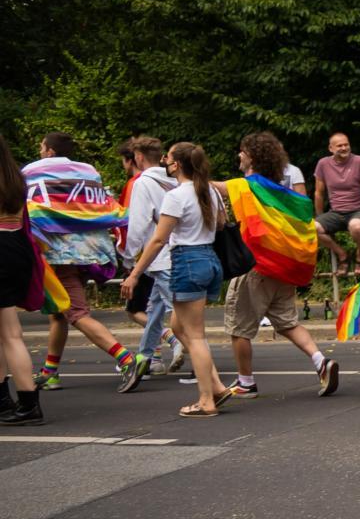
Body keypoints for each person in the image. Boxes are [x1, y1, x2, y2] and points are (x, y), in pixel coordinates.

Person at [118, 142, 233, 417]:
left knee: (195, 336)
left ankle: (206, 400)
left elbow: (158, 240)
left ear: (177, 164)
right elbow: (220, 224)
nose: (165, 162)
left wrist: (134, 274)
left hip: (187, 260)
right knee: (178, 326)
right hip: (209, 260)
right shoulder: (209, 192)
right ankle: (216, 386)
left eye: (168, 157)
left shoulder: (177, 195)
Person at [224, 133, 340, 400]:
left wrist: (188, 170)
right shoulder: (282, 192)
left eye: (242, 151)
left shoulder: (248, 186)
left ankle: (245, 382)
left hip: (257, 268)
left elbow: (211, 188)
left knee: (239, 328)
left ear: (251, 156)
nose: (239, 156)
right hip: (283, 269)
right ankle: (321, 362)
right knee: (287, 323)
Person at [23, 133, 135, 390]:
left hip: (59, 254)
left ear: (50, 151)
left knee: (75, 313)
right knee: (58, 314)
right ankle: (50, 371)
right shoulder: (87, 173)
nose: (40, 152)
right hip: (91, 251)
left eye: (42, 147)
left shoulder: (33, 173)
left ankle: (126, 358)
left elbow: (28, 209)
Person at [118, 137, 181, 387]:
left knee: (183, 313)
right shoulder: (178, 179)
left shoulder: (143, 183)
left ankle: (203, 364)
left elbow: (138, 225)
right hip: (178, 253)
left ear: (139, 157)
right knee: (154, 309)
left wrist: (127, 256)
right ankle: (144, 357)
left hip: (160, 257)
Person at [0, 134, 47, 425]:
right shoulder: (16, 177)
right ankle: (8, 399)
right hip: (17, 246)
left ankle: (27, 402)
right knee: (5, 332)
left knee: (10, 334)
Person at [313, 132, 360, 275]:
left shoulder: (359, 162)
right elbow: (319, 193)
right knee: (312, 228)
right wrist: (320, 216)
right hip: (336, 212)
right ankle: (342, 254)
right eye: (340, 145)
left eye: (346, 144)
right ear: (331, 148)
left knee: (356, 226)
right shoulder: (323, 164)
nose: (344, 148)